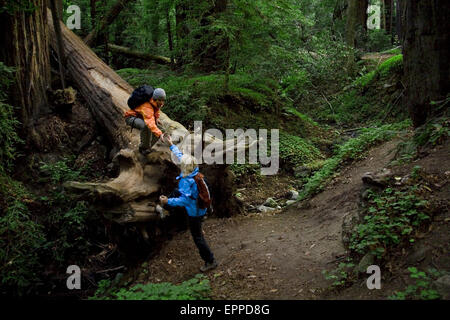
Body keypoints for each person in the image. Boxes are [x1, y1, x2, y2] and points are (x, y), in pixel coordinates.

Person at [157, 135, 218, 272]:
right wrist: (171, 145)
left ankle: (210, 260)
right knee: (176, 191)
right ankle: (169, 209)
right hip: (199, 208)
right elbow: (181, 157)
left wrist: (168, 201)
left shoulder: (187, 182)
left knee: (197, 238)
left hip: (195, 211)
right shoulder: (194, 171)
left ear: (185, 167)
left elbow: (183, 201)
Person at [124, 88, 166, 155]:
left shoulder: (156, 103)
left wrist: (156, 119)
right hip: (131, 117)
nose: (162, 102)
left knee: (162, 129)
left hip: (142, 117)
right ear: (155, 99)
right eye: (160, 100)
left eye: (163, 100)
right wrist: (159, 134)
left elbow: (156, 111)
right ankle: (143, 148)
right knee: (146, 126)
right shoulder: (147, 106)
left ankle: (148, 147)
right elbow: (149, 121)